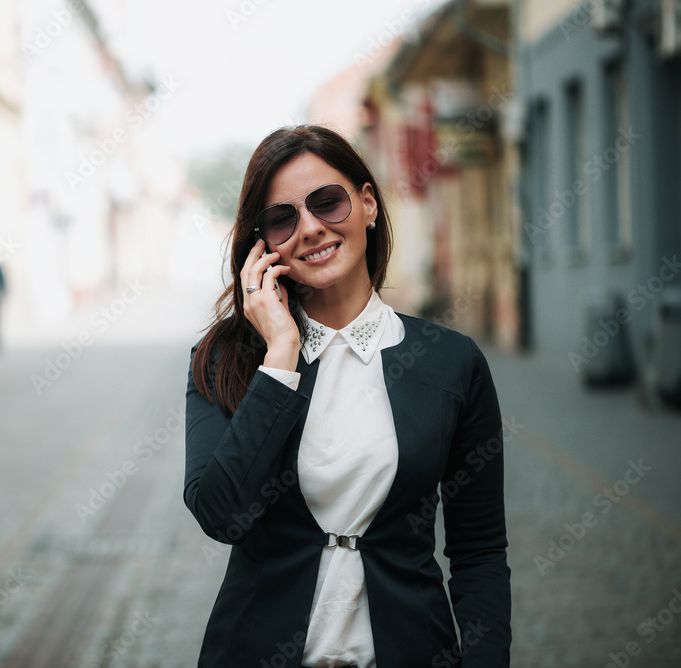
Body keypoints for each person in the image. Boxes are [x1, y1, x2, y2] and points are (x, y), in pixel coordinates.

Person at [184, 125, 511, 667]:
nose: (310, 228)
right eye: (283, 218)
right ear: (262, 244)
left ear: (367, 205)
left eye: (327, 203)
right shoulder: (225, 360)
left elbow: (479, 550)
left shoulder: (451, 362)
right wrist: (280, 356)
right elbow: (222, 515)